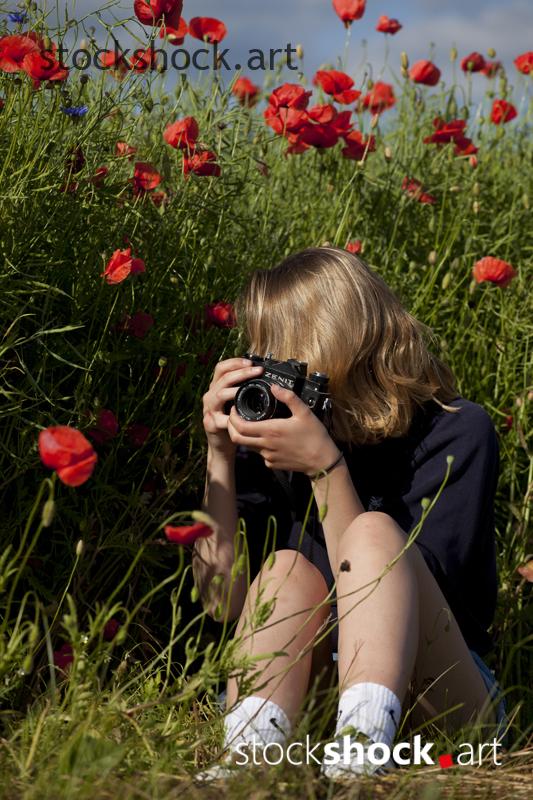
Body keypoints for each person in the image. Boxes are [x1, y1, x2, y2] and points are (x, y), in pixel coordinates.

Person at [193, 246, 508, 780]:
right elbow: (221, 604)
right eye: (254, 355)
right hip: (315, 704)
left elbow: (404, 609)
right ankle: (249, 758)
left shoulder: (459, 433)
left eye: (271, 352)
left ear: (324, 346)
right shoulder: (271, 441)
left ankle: (362, 752)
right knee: (284, 570)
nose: (261, 371)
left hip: (443, 706)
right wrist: (218, 455)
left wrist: (324, 469)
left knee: (374, 534)